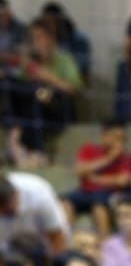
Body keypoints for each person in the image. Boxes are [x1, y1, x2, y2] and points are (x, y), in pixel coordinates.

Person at [5, 16, 82, 162]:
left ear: (51, 38)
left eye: (40, 37)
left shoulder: (64, 59)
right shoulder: (31, 62)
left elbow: (73, 89)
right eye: (33, 38)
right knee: (14, 86)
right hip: (35, 105)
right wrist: (26, 68)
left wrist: (48, 78)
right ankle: (19, 137)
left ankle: (25, 145)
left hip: (58, 108)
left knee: (38, 95)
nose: (37, 42)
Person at [63, 119, 131, 235]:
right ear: (104, 136)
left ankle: (104, 242)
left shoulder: (126, 157)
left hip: (108, 193)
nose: (119, 142)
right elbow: (79, 170)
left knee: (99, 205)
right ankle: (65, 240)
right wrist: (108, 159)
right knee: (65, 202)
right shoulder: (89, 149)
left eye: (122, 139)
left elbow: (122, 181)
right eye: (116, 137)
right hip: (84, 191)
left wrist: (94, 178)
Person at [0, 172, 68, 256]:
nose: (6, 215)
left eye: (9, 211)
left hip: (41, 237)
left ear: (17, 194)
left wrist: (58, 261)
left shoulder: (40, 195)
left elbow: (56, 235)